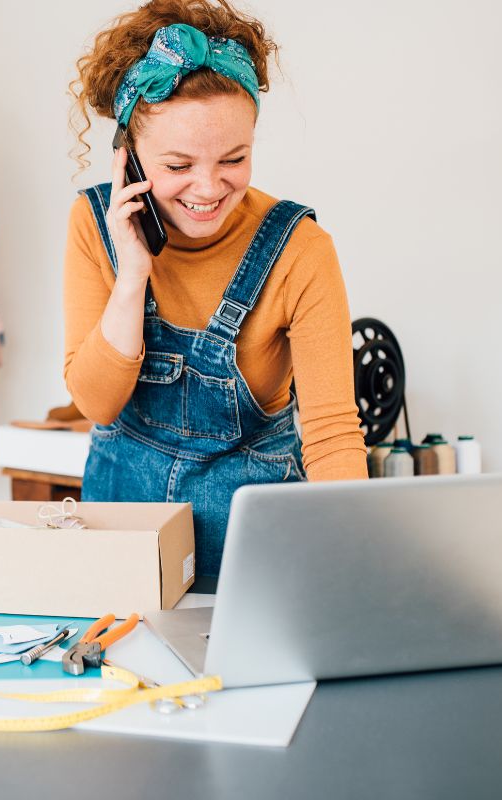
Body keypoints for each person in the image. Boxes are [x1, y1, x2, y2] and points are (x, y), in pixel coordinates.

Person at [65, 0, 367, 577]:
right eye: (178, 165)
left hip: (257, 563)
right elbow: (96, 403)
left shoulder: (301, 250)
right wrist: (132, 275)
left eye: (234, 158)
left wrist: (352, 562)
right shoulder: (94, 227)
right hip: (122, 557)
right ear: (127, 159)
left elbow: (331, 434)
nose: (208, 187)